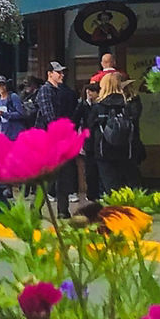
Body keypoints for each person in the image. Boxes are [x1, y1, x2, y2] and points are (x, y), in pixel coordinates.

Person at [86, 72, 142, 194]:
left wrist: (89, 149)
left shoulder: (98, 107)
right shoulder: (128, 105)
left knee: (111, 190)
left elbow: (90, 128)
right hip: (126, 151)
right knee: (130, 187)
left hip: (104, 152)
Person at [36, 61, 78, 216]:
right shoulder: (45, 91)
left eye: (62, 72)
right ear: (50, 74)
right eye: (58, 72)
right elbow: (49, 116)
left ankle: (63, 210)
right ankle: (36, 208)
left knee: (63, 175)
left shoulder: (59, 91)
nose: (62, 75)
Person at [76, 81, 103, 203]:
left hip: (100, 141)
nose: (90, 94)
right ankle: (92, 193)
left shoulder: (101, 105)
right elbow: (76, 118)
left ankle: (101, 192)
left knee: (100, 168)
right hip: (89, 141)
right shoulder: (83, 105)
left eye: (92, 92)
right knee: (90, 169)